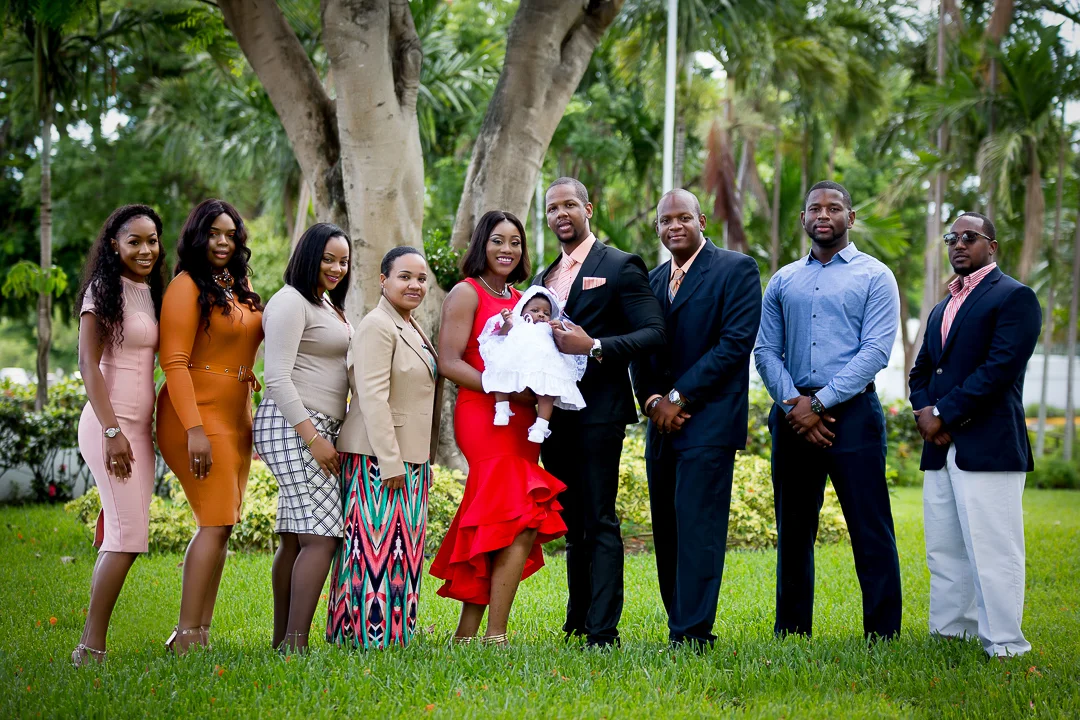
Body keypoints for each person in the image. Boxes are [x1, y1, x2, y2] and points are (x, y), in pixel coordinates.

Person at [754, 180, 903, 641]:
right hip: (792, 413)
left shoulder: (876, 276)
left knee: (869, 526)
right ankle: (792, 630)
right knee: (794, 529)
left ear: (849, 218)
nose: (824, 215)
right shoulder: (783, 280)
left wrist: (819, 404)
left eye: (834, 208)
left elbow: (875, 351)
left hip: (853, 414)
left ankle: (882, 633)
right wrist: (795, 404)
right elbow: (766, 350)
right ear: (803, 219)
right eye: (815, 208)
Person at [534, 178, 666, 648]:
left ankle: (603, 630)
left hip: (600, 412)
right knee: (573, 522)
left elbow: (654, 332)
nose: (561, 214)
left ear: (588, 209)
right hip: (555, 416)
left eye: (569, 204)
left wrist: (594, 345)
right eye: (552, 208)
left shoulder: (620, 265)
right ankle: (578, 620)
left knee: (600, 518)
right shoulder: (544, 277)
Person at [630, 189, 761, 648]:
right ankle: (679, 620)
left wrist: (678, 398)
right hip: (660, 423)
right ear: (658, 228)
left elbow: (734, 343)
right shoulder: (650, 280)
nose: (674, 226)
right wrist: (652, 401)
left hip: (709, 420)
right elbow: (640, 347)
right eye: (665, 220)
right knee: (667, 529)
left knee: (699, 528)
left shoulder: (736, 269)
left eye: (683, 217)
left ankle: (692, 633)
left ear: (701, 221)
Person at [430, 211, 567, 646]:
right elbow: (449, 362)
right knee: (519, 516)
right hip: (484, 415)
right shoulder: (466, 293)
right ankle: (496, 635)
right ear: (481, 246)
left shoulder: (528, 300)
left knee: (505, 519)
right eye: (497, 240)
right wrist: (502, 385)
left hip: (525, 419)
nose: (507, 249)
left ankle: (469, 633)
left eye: (515, 242)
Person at [909, 212, 1041, 658]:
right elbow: (922, 372)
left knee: (994, 549)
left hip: (989, 444)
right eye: (952, 237)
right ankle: (951, 633)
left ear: (992, 246)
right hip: (940, 447)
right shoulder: (942, 306)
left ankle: (1005, 643)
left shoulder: (1014, 297)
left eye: (970, 237)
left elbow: (999, 370)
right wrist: (925, 413)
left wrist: (942, 413)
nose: (959, 244)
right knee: (944, 548)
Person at [156, 199, 264, 654]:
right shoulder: (185, 286)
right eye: (214, 233)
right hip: (196, 413)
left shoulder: (239, 285)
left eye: (230, 234)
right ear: (198, 236)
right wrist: (194, 429)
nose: (223, 242)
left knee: (224, 524)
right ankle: (185, 634)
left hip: (237, 414)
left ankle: (201, 630)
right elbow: (174, 362)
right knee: (215, 521)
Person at [326, 246, 439, 650]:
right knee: (372, 549)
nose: (415, 285)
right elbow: (372, 397)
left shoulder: (409, 324)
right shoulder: (378, 325)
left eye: (421, 279)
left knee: (402, 550)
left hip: (409, 456)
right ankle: (362, 636)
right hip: (377, 456)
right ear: (383, 280)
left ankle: (394, 633)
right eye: (404, 277)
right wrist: (390, 462)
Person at [71, 205, 167, 666]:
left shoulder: (151, 291)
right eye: (135, 241)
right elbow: (88, 364)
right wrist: (111, 430)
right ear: (114, 245)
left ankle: (91, 644)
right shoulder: (102, 290)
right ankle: (90, 648)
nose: (146, 250)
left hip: (140, 431)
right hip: (110, 426)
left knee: (123, 533)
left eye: (152, 241)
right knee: (127, 537)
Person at [254, 223, 352, 653]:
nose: (336, 268)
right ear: (309, 256)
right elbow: (276, 377)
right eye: (328, 259)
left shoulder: (325, 302)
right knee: (322, 536)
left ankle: (283, 640)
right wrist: (313, 438)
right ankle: (295, 644)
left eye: (343, 261)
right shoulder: (290, 301)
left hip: (317, 425)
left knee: (296, 536)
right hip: (293, 423)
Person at [479, 285, 586, 443]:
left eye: (546, 313)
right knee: (501, 375)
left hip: (543, 367)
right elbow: (500, 337)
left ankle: (541, 426)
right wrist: (508, 323)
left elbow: (562, 344)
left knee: (547, 394)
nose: (541, 315)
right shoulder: (518, 323)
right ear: (522, 310)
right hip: (516, 362)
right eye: (535, 310)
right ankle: (502, 409)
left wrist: (558, 328)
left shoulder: (549, 329)